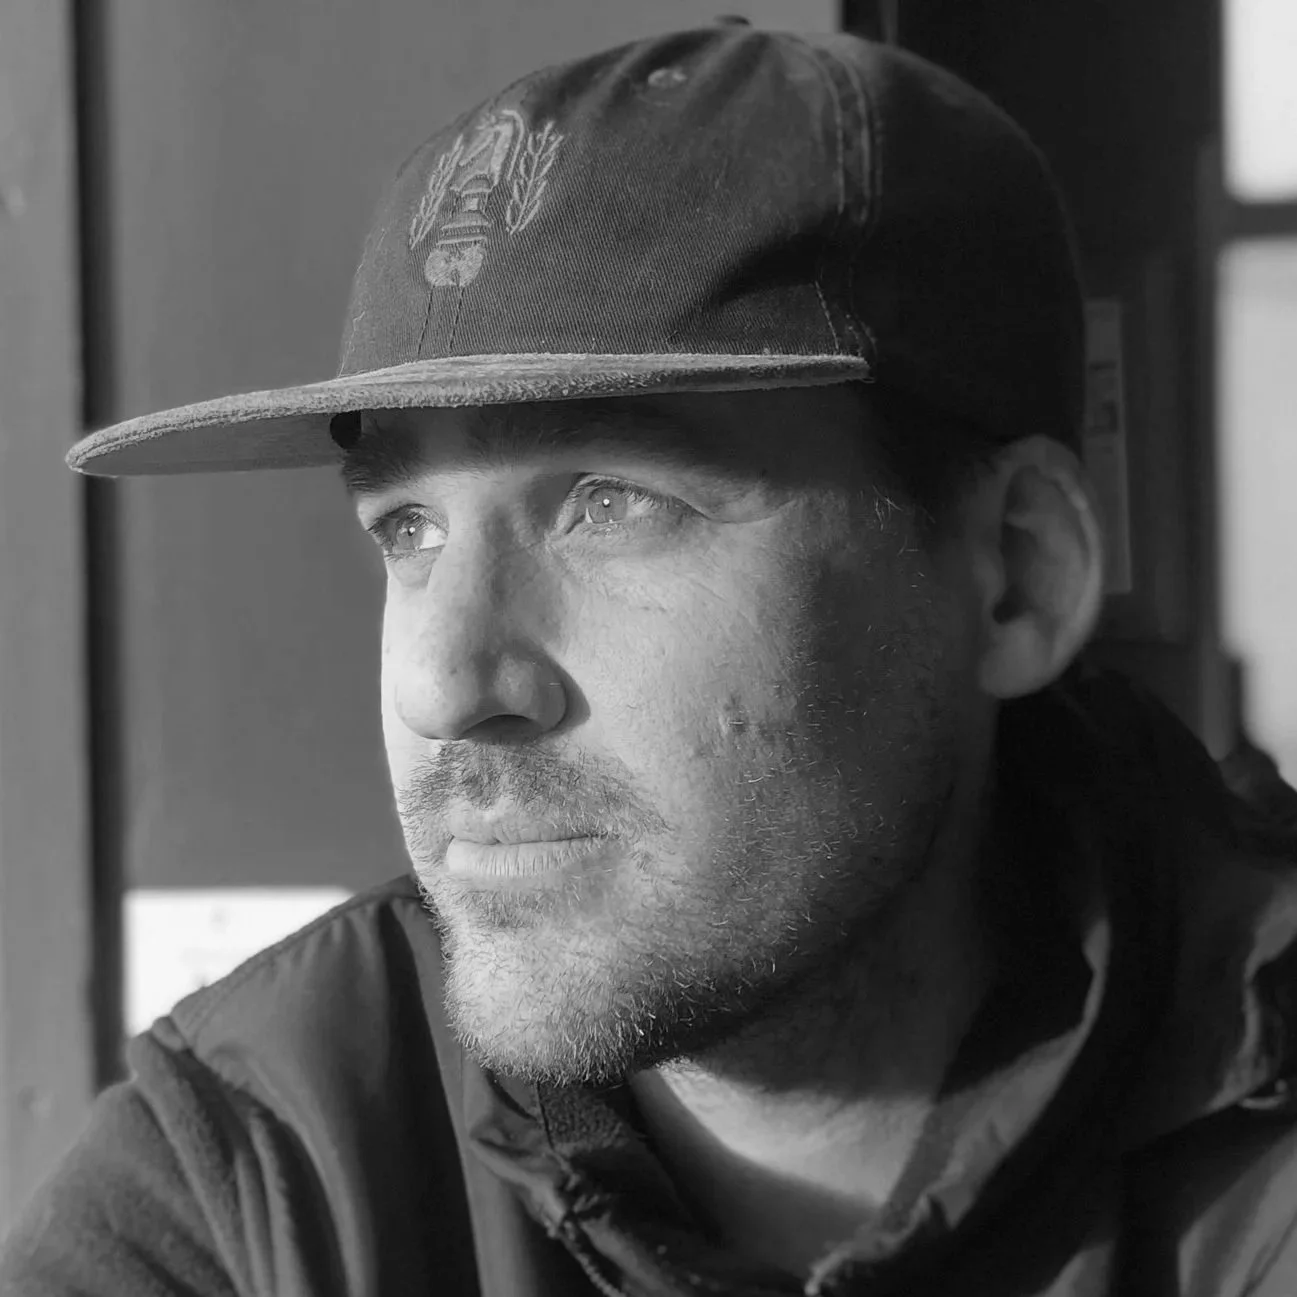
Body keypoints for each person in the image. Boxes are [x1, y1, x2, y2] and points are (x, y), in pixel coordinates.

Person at [4, 22, 1297, 1297]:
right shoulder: (270, 1162)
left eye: (614, 502)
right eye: (408, 527)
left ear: (1015, 574)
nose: (445, 684)